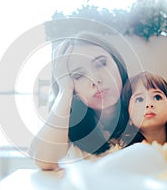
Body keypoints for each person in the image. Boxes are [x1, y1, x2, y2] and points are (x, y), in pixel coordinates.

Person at [28, 32, 130, 170]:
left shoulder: (146, 104)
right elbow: (43, 160)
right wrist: (64, 90)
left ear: (117, 63)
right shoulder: (70, 125)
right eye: (79, 75)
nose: (95, 79)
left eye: (101, 63)